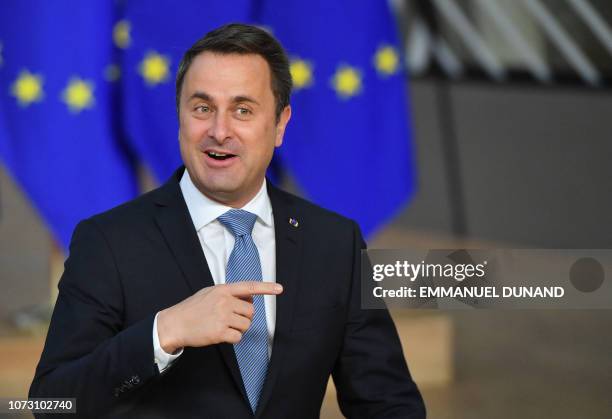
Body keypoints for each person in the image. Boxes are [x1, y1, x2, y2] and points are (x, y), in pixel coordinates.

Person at [29, 23, 426, 418]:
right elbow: (51, 405)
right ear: (180, 117)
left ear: (280, 124)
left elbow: (388, 403)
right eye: (202, 108)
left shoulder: (335, 243)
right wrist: (162, 333)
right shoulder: (107, 241)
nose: (220, 131)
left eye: (243, 110)